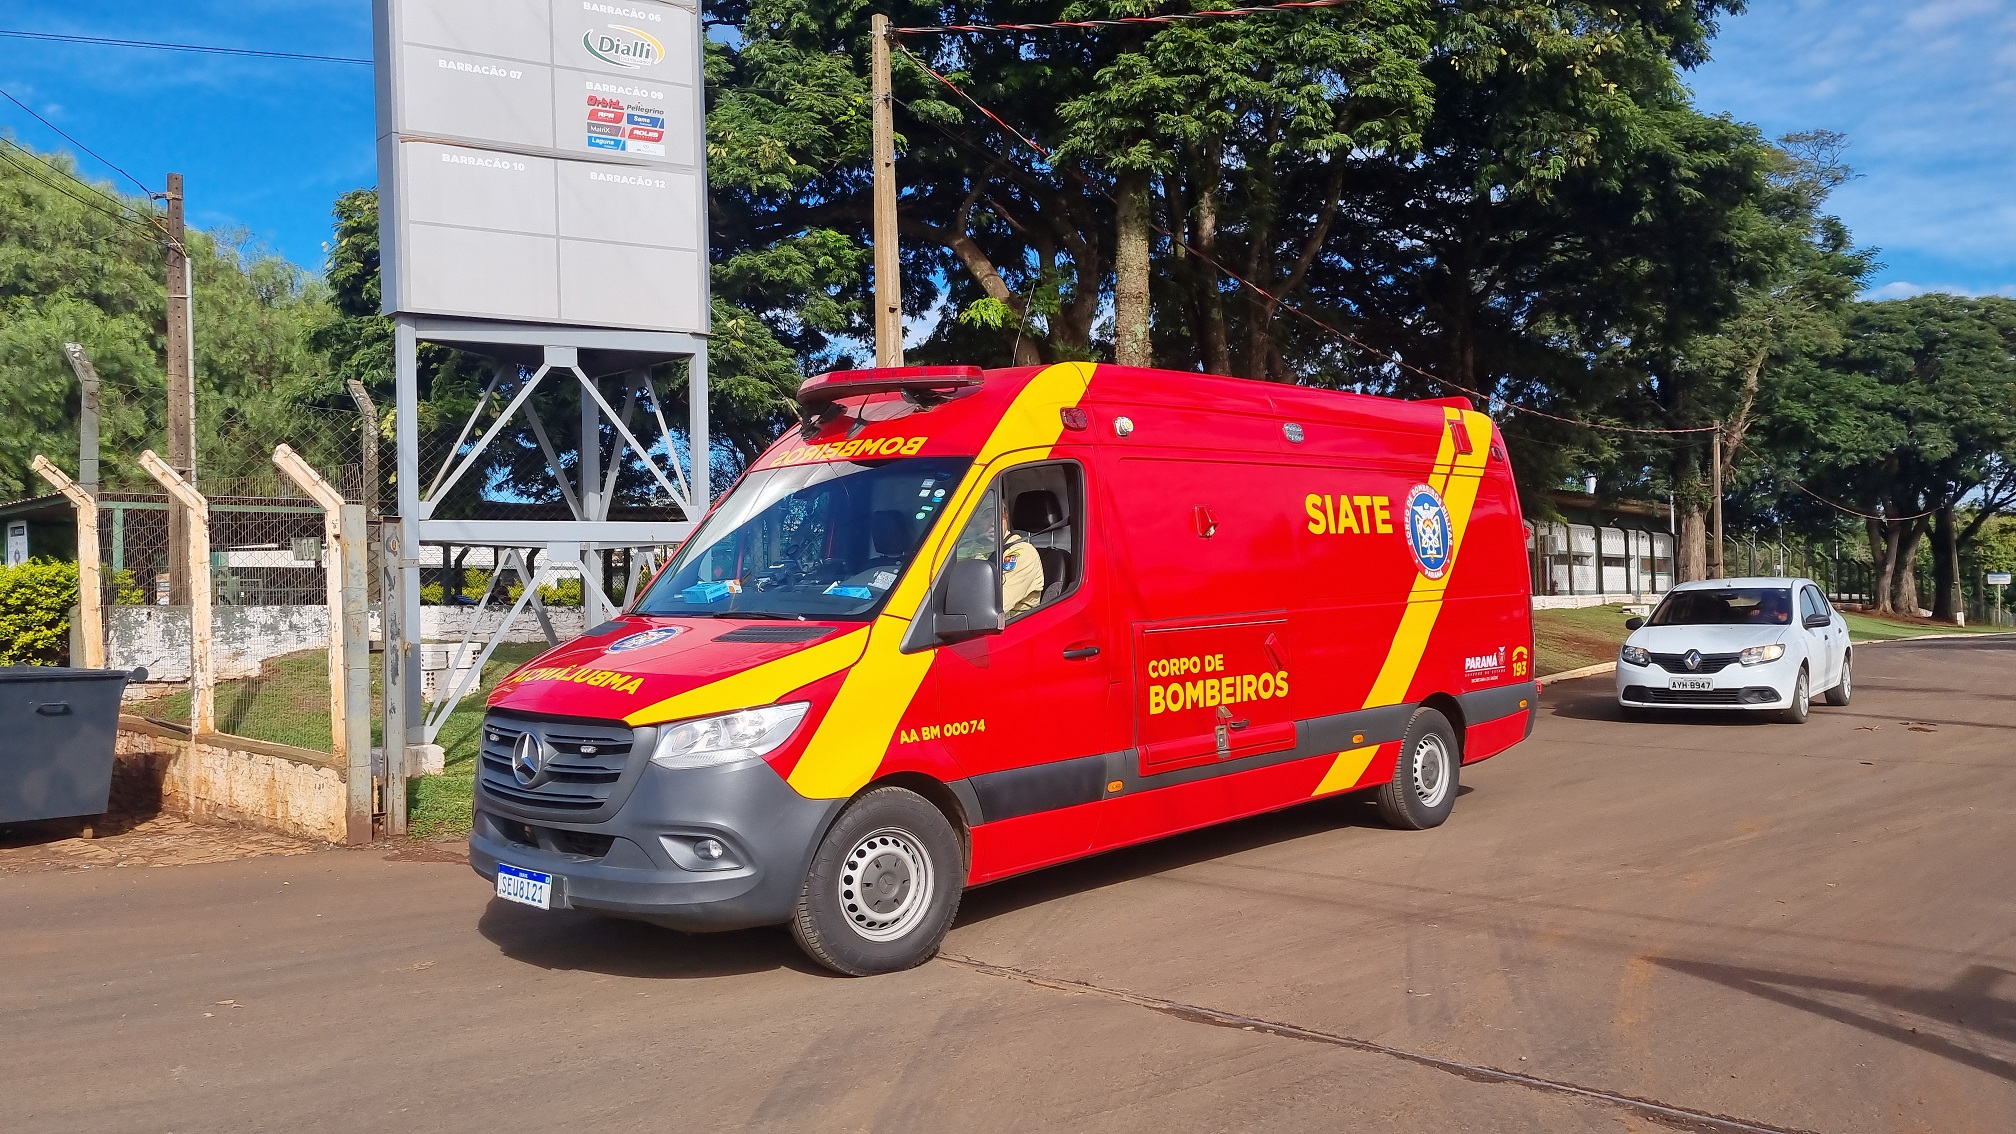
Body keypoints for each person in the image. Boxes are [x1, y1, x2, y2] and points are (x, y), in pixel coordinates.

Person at [1001, 508, 1045, 616]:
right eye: (984, 517)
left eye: (992, 514)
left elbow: (998, 606)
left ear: (1005, 515)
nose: (991, 522)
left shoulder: (1022, 553)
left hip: (1013, 623)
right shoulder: (975, 549)